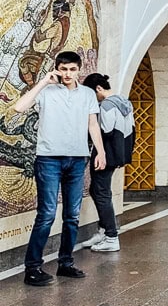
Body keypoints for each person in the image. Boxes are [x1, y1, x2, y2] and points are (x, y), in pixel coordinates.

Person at [13, 50, 106, 286]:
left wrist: (101, 151)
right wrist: (44, 81)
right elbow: (19, 108)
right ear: (57, 68)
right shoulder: (46, 91)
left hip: (77, 159)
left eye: (72, 69)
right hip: (49, 159)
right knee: (46, 214)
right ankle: (32, 268)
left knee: (72, 216)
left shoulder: (87, 94)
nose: (67, 74)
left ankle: (66, 263)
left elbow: (92, 124)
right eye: (63, 69)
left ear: (79, 70)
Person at [80, 73, 136, 253]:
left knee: (101, 192)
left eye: (91, 94)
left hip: (105, 154)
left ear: (98, 89)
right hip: (119, 153)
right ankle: (104, 230)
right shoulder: (125, 102)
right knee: (97, 190)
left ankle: (111, 236)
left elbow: (106, 130)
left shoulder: (106, 105)